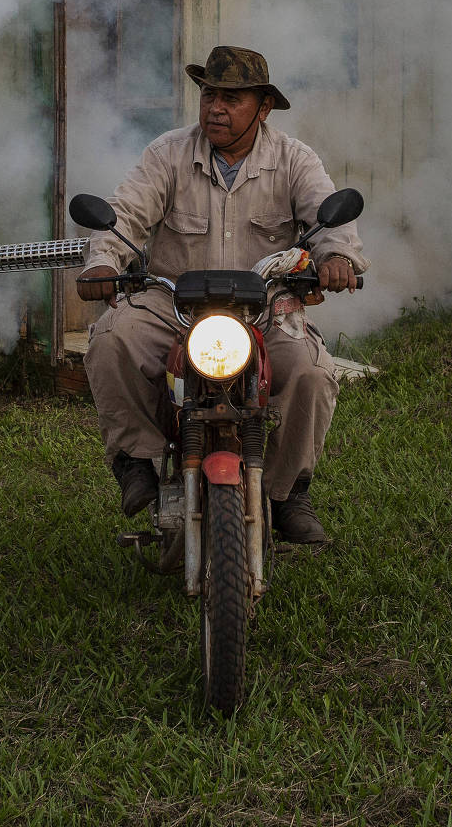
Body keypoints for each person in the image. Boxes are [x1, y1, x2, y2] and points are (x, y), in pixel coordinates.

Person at [79, 45, 365, 544]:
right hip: (173, 305)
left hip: (265, 309)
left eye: (232, 98)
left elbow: (327, 219)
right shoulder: (167, 153)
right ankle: (136, 460)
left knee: (312, 373)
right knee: (111, 339)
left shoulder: (294, 159)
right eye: (210, 94)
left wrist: (335, 258)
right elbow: (123, 214)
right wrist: (104, 260)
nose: (216, 108)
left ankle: (286, 491)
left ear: (263, 106)